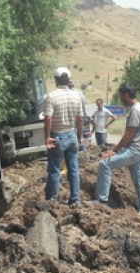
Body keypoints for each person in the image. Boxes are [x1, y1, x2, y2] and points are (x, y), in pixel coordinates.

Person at [92, 83, 140, 215]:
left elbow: (129, 134)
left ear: (126, 95)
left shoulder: (136, 110)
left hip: (134, 150)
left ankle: (101, 200)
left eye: (122, 96)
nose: (121, 99)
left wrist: (115, 151)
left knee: (104, 164)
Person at [44, 67, 84, 205]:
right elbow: (80, 119)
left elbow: (48, 118)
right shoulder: (76, 96)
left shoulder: (52, 96)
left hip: (57, 137)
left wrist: (47, 137)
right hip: (72, 135)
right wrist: (79, 136)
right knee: (73, 169)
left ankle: (52, 200)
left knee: (55, 170)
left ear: (56, 80)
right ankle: (75, 199)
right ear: (68, 80)